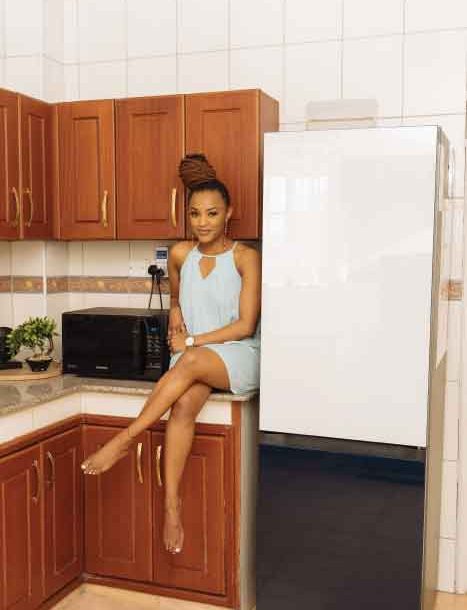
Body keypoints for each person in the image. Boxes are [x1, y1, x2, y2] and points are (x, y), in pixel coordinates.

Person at [81, 153, 261, 555]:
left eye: (212, 213)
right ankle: (172, 506)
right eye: (195, 213)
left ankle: (125, 439)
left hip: (235, 354)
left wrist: (192, 342)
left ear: (229, 213)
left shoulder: (245, 257)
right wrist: (176, 314)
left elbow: (246, 326)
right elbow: (178, 297)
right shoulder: (180, 255)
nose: (203, 222)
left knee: (191, 362)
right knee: (181, 408)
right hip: (193, 358)